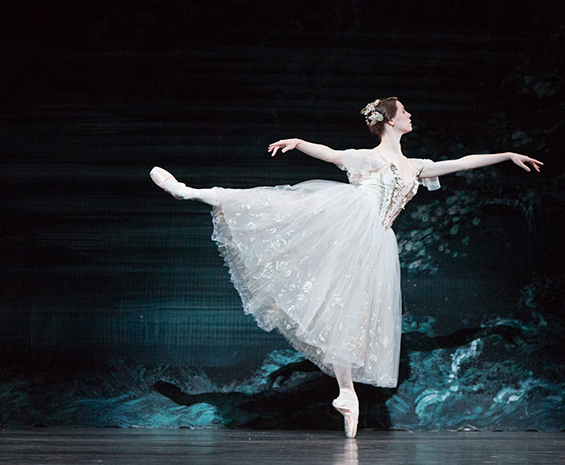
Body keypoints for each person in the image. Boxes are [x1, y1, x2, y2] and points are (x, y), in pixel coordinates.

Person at [150, 97, 542, 437]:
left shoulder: (416, 166)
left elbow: (461, 162)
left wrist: (506, 155)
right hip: (348, 220)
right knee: (276, 206)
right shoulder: (369, 158)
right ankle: (191, 192)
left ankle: (346, 392)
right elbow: (333, 155)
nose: (410, 115)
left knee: (349, 314)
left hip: (377, 241)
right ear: (390, 120)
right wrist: (299, 142)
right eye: (404, 110)